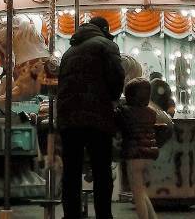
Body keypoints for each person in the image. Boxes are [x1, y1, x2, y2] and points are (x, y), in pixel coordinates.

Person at [57, 15, 126, 219]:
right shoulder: (106, 45)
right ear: (104, 30)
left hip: (69, 118)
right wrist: (112, 98)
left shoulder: (69, 51)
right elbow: (117, 75)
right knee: (101, 170)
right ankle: (104, 215)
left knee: (71, 171)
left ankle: (71, 215)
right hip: (97, 115)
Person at [116, 77, 173, 219]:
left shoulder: (125, 112)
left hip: (134, 154)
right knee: (141, 190)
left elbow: (119, 125)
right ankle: (153, 217)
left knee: (137, 194)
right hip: (149, 154)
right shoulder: (151, 112)